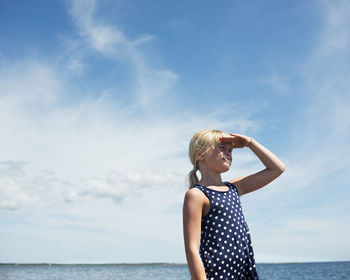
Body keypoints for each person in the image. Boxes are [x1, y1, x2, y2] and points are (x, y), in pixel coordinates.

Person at [183, 129, 285, 280]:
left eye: (231, 150)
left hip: (243, 273)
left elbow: (277, 168)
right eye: (222, 148)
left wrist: (250, 143)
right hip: (216, 274)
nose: (229, 153)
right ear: (200, 154)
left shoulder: (235, 188)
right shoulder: (197, 195)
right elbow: (192, 249)